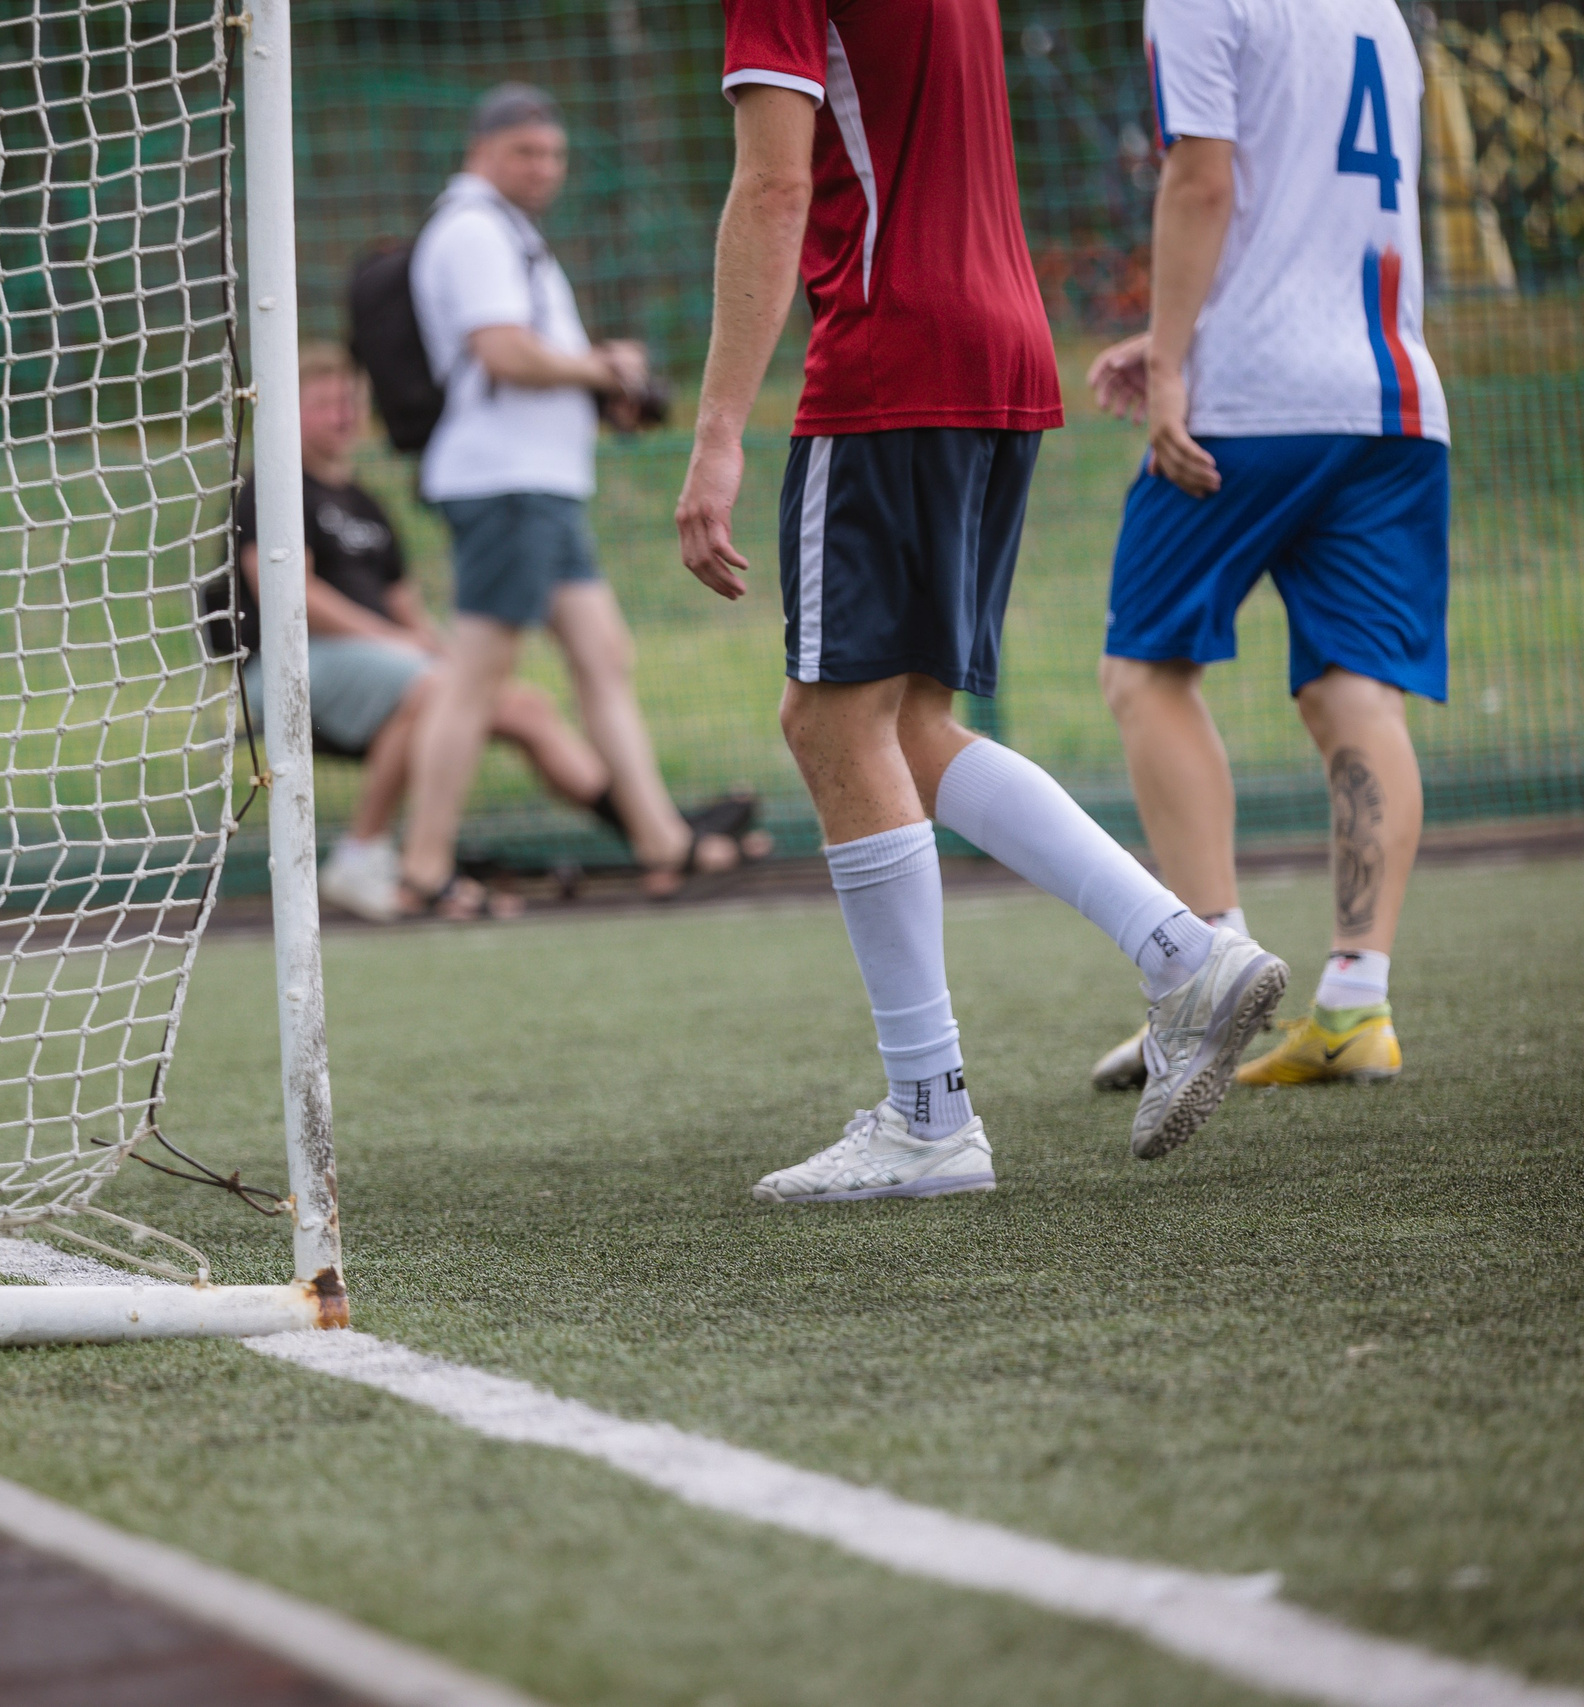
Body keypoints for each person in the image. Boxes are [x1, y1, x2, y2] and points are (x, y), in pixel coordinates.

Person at [674, 0, 1289, 1201]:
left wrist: (715, 436)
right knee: (907, 723)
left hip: (891, 358)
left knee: (828, 722)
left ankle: (929, 1116)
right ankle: (1181, 953)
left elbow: (771, 189)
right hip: (1000, 349)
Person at [1082, 0, 1447, 1092]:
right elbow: (1316, 206)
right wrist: (1183, 332)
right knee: (1354, 694)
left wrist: (1179, 365)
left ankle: (1206, 977)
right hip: (1391, 399)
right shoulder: (1376, 10)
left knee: (1143, 670)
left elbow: (1202, 181)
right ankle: (1354, 1005)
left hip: (1254, 401)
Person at [214, 343, 764, 923]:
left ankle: (661, 835)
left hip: (389, 664)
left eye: (350, 401)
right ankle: (362, 853)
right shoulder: (272, 488)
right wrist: (399, 646)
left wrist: (443, 651)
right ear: (291, 412)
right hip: (293, 673)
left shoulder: (365, 504)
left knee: (524, 707)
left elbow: (407, 608)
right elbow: (292, 597)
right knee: (433, 690)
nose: (344, 414)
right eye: (326, 404)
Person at [399, 83, 746, 919]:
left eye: (554, 153)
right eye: (526, 151)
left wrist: (595, 380)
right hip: (506, 483)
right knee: (478, 672)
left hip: (542, 482)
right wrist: (604, 369)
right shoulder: (473, 228)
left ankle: (662, 839)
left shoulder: (510, 232)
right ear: (482, 150)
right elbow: (505, 354)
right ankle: (423, 866)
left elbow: (528, 358)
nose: (544, 168)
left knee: (603, 653)